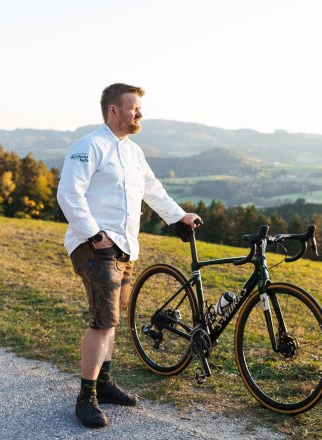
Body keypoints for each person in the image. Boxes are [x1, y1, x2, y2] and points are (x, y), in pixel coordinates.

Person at [57, 83, 201, 428]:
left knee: (113, 319)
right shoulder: (88, 146)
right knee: (103, 321)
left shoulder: (133, 152)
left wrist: (178, 216)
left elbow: (153, 189)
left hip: (124, 247)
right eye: (133, 107)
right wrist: (94, 234)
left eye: (140, 108)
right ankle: (86, 396)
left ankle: (103, 384)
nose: (139, 114)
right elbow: (69, 194)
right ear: (113, 111)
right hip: (94, 246)